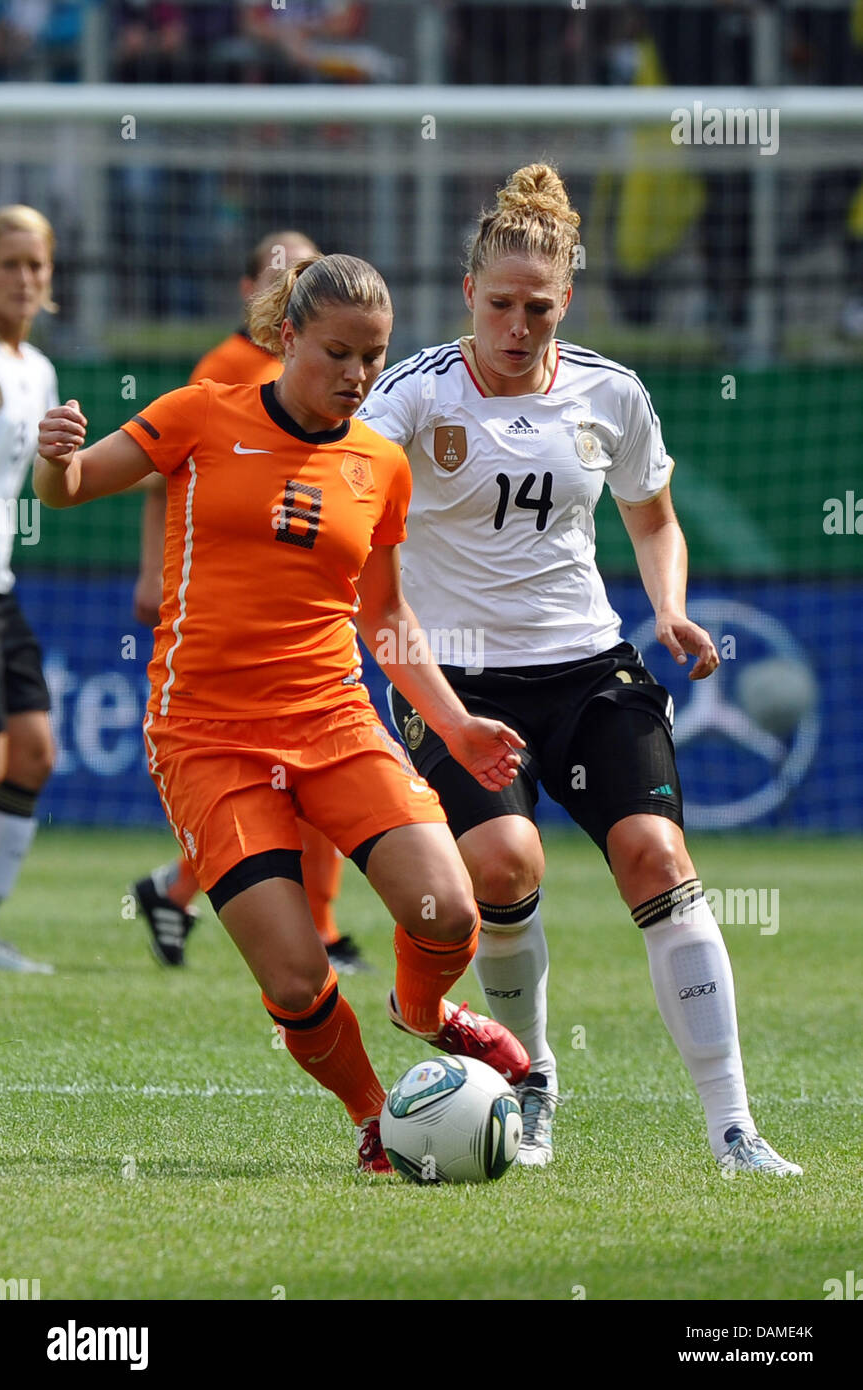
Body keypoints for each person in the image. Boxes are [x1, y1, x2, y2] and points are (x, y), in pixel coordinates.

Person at [34, 252, 530, 1173]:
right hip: (205, 736)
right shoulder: (200, 413)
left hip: (331, 719)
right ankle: (379, 1120)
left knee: (450, 909)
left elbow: (384, 618)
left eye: (374, 358)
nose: (356, 376)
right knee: (299, 979)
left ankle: (422, 1013)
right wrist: (52, 456)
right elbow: (68, 491)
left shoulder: (380, 462)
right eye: (337, 353)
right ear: (287, 336)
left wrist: (456, 725)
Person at [358, 164, 802, 1176]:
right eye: (501, 304)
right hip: (457, 681)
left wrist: (671, 608)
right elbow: (343, 493)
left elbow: (651, 517)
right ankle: (531, 1082)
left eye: (540, 307)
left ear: (570, 301)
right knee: (504, 866)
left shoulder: (611, 393)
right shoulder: (413, 395)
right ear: (467, 294)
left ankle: (732, 1129)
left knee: (657, 860)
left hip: (588, 668)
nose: (519, 324)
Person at [131, 228, 368, 976]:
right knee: (273, 777)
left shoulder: (337, 370)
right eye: (281, 272)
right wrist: (153, 573)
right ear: (253, 291)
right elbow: (164, 467)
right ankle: (310, 930)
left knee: (306, 776)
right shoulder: (229, 370)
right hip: (232, 605)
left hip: (308, 599)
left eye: (306, 269)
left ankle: (181, 892)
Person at [0, 205, 59, 974]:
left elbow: (45, 484)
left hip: (2, 587)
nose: (22, 278)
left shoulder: (36, 370)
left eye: (33, 266)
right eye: (8, 263)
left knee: (35, 751)